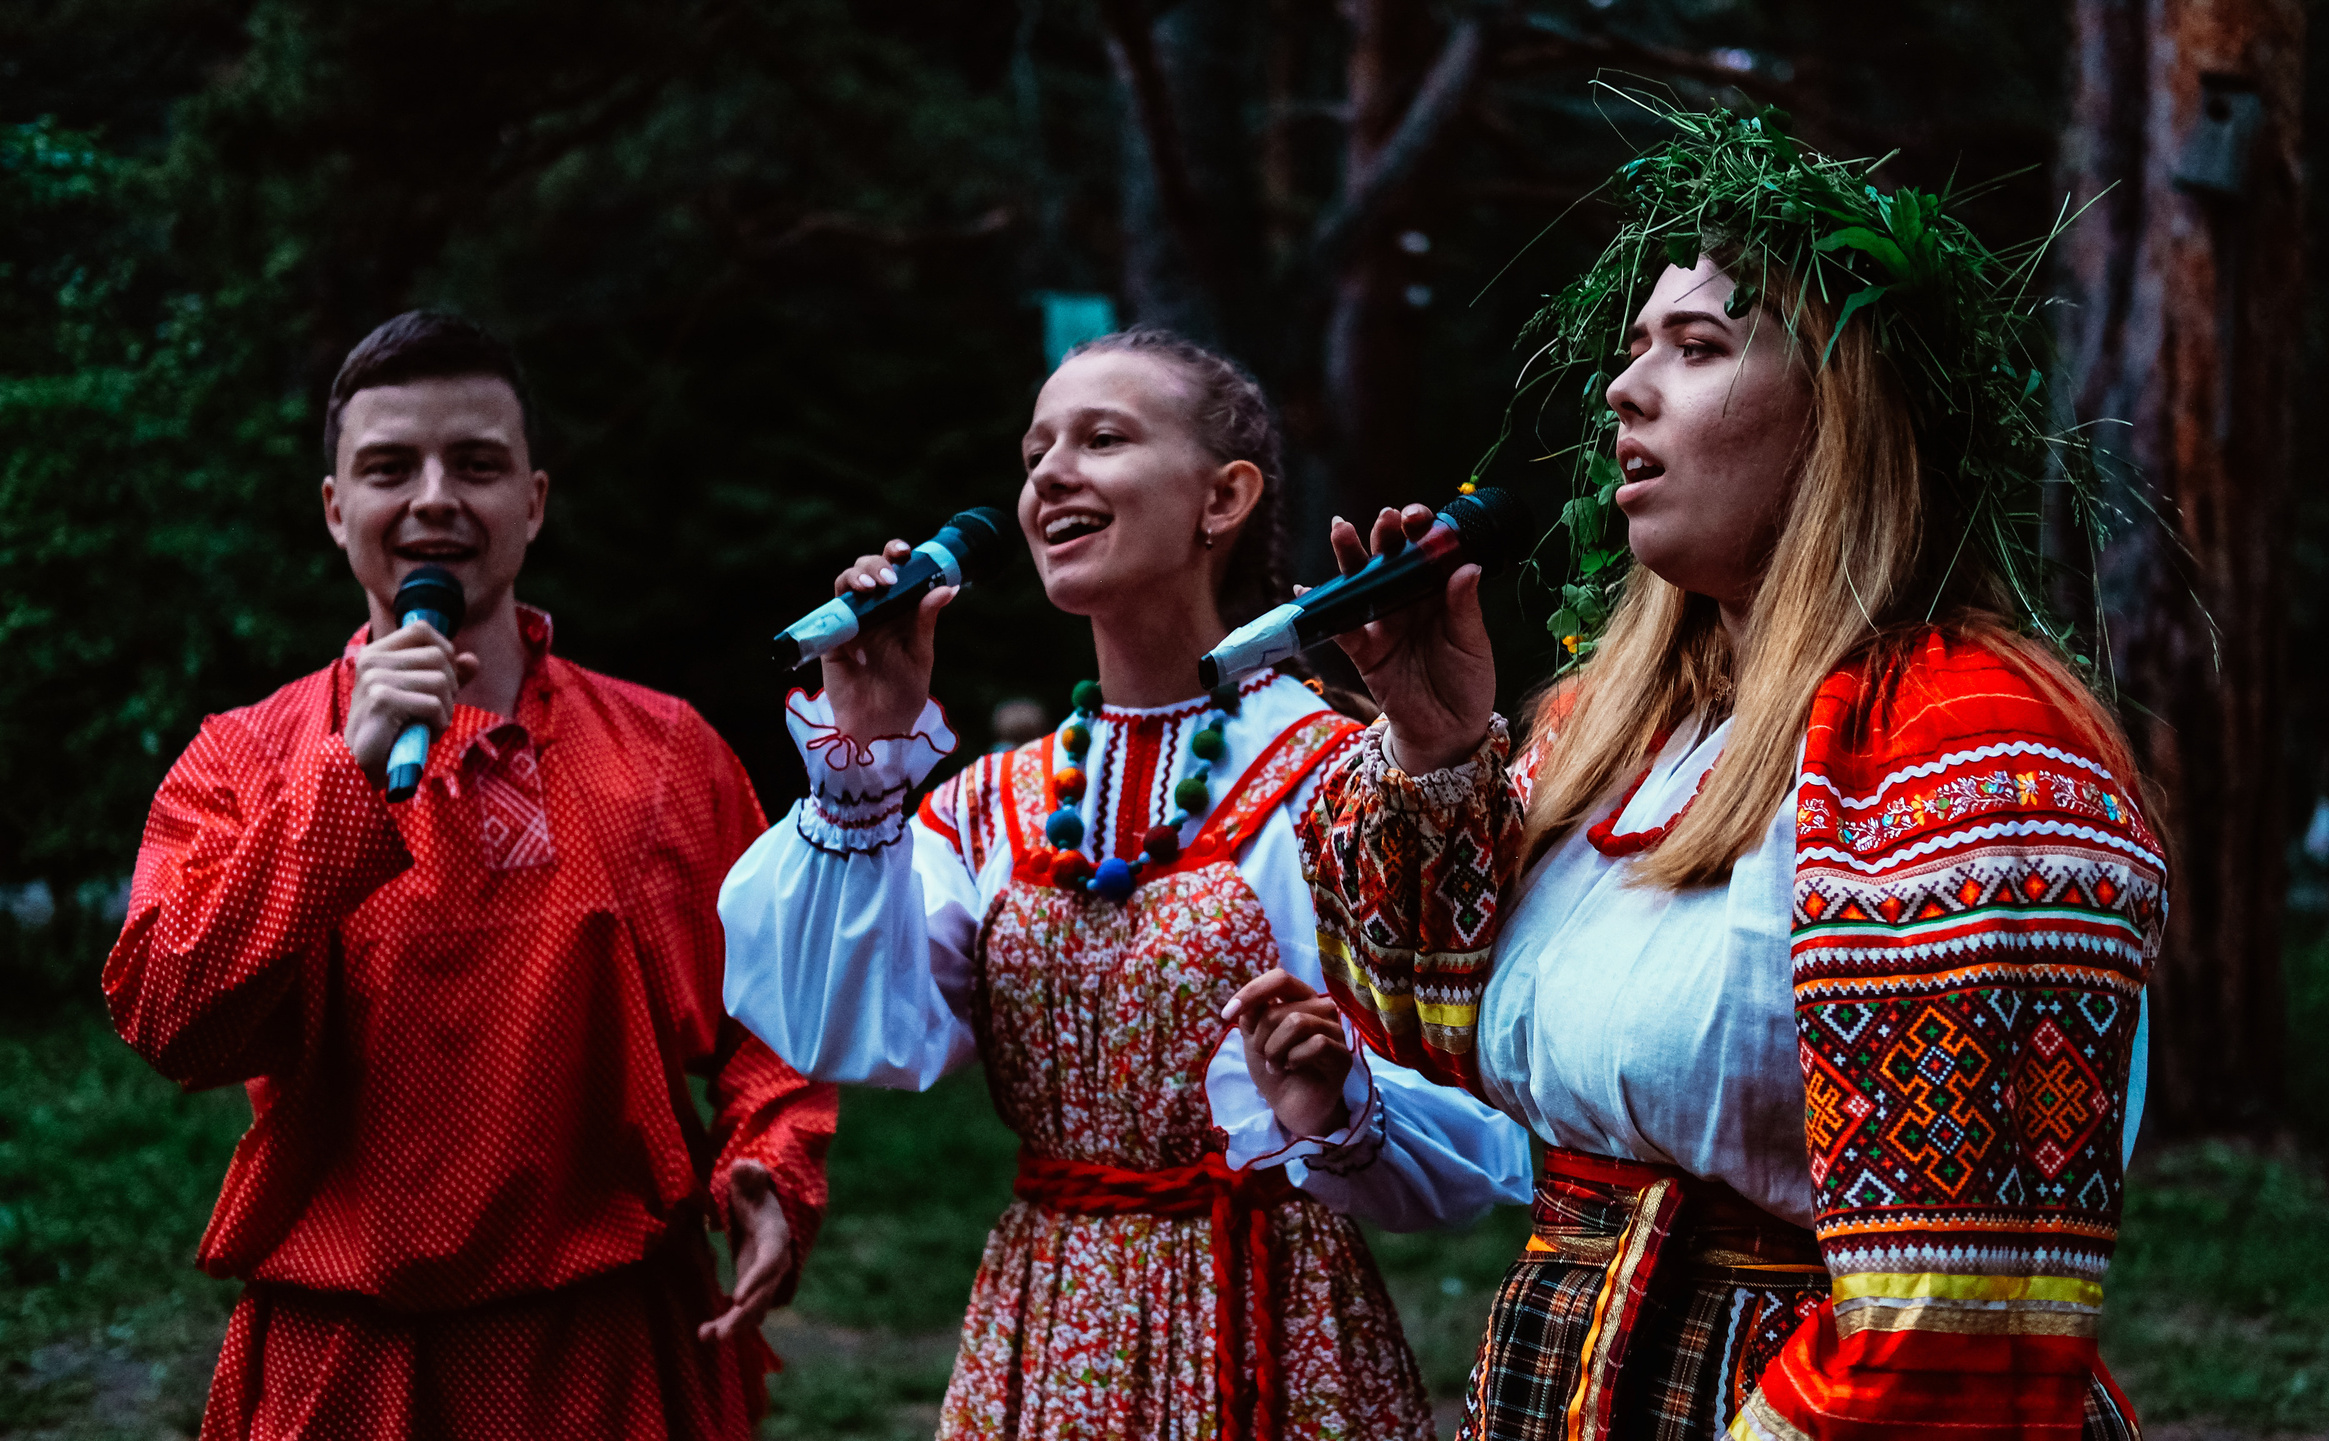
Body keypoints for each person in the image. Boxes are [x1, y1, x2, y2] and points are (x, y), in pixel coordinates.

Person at [1227, 107, 2162, 1440]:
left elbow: (1950, 1304)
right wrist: (1434, 747)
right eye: (1632, 350)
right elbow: (1426, 1028)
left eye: (1699, 346)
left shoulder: (1973, 739)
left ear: (1844, 416)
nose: (1625, 390)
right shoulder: (1609, 726)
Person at [716, 328, 1531, 1441]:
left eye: (1101, 439)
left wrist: (1336, 1102)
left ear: (1222, 497)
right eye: (1035, 452)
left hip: (1271, 1324)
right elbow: (837, 1022)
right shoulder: (991, 801)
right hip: (1048, 1326)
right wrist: (862, 757)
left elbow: (1474, 1107)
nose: (1050, 474)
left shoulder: (1339, 777)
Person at [104, 311, 836, 1440]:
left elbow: (776, 1014)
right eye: (390, 467)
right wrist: (343, 781)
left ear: (532, 504)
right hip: (343, 1361)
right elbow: (172, 1021)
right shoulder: (242, 762)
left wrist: (770, 1171)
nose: (435, 498)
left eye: (477, 464)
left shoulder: (666, 755)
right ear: (335, 508)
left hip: (610, 1352)